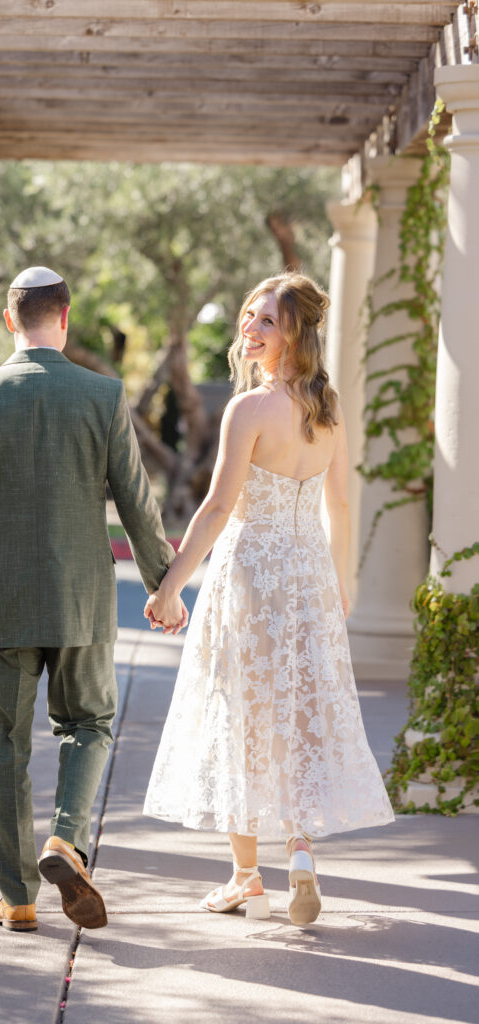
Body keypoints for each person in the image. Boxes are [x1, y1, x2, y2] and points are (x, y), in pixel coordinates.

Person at [0, 266, 180, 933]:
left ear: (9, 320)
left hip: (3, 602)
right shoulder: (100, 395)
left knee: (6, 745)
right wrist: (164, 585)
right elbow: (135, 499)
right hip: (81, 599)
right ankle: (65, 840)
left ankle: (18, 898)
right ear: (63, 318)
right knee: (88, 724)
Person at [143, 272, 395, 926]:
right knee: (301, 712)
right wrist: (339, 584)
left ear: (294, 335)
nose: (249, 330)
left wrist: (171, 583)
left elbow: (220, 506)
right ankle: (301, 851)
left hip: (250, 575)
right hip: (307, 572)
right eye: (248, 317)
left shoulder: (248, 409)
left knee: (243, 716)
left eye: (266, 322)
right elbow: (339, 504)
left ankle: (246, 876)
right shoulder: (328, 409)